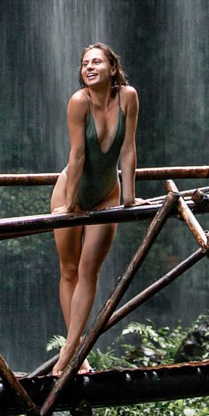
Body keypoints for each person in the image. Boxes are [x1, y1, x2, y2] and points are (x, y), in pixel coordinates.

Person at [50, 42, 139, 376]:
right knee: (69, 269)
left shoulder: (128, 96)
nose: (88, 67)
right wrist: (70, 205)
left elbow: (128, 149)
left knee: (89, 271)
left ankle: (69, 354)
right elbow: (77, 156)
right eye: (85, 62)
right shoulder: (78, 102)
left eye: (97, 62)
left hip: (107, 194)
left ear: (112, 69)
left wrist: (129, 199)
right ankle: (79, 357)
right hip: (69, 191)